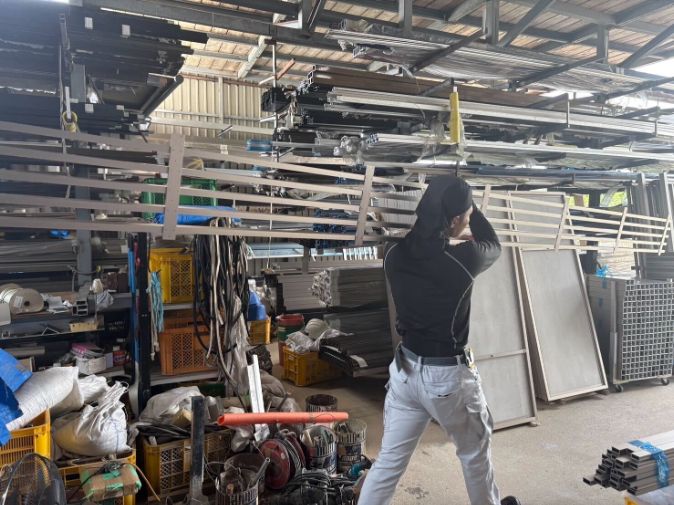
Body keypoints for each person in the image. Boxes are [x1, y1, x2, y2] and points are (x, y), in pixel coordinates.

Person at [358, 176, 520, 505]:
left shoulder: (393, 254)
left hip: (404, 373)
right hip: (447, 380)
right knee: (475, 455)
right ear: (456, 218)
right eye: (467, 217)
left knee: (388, 462)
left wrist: (458, 207)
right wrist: (473, 207)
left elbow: (429, 236)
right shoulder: (464, 260)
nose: (468, 222)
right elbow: (493, 244)